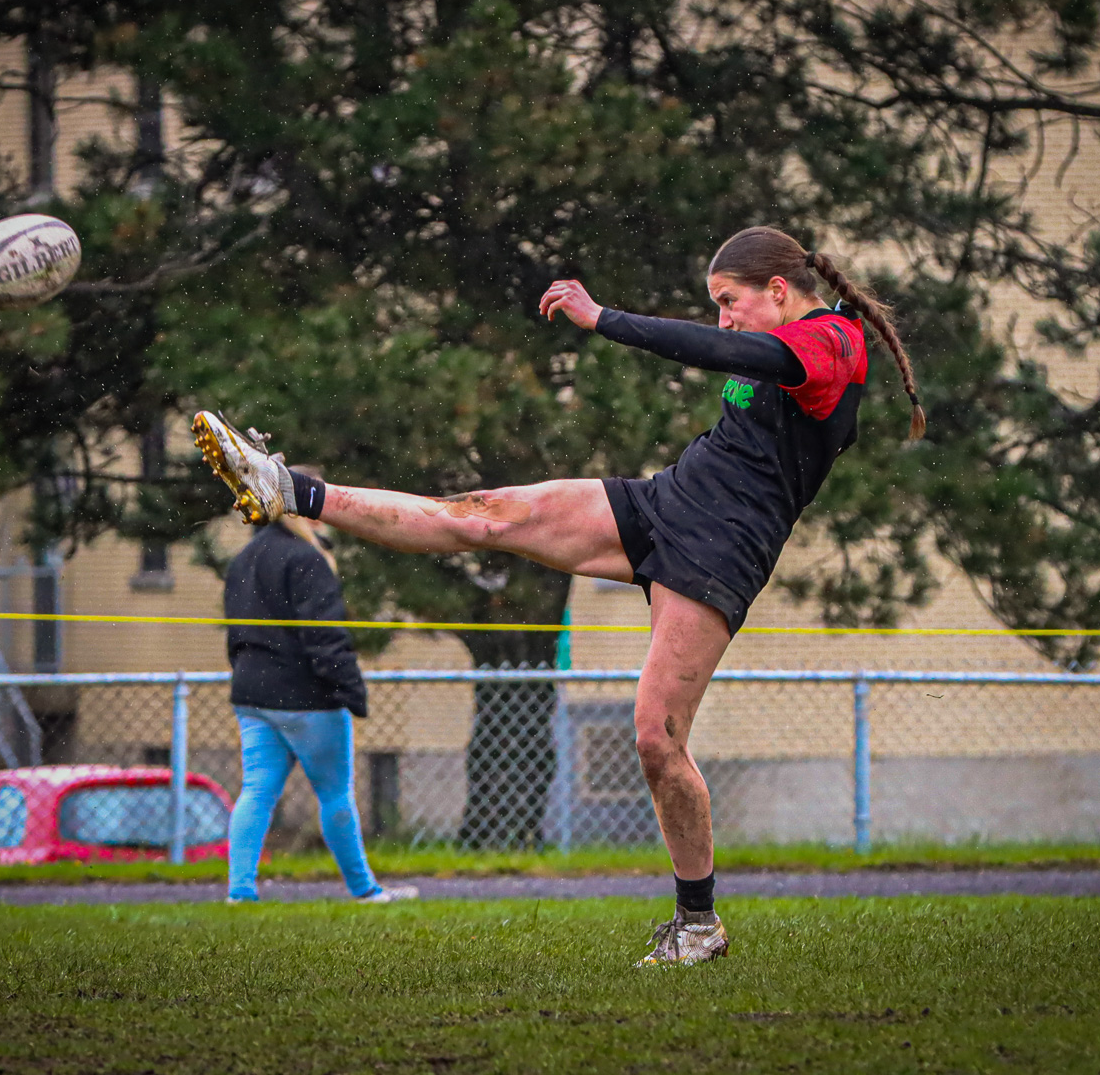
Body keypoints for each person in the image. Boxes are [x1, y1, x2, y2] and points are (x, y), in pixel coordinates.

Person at [193, 226, 923, 961]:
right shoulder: (781, 337)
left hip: (721, 549)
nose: (723, 320)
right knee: (484, 514)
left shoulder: (835, 340)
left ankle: (698, 924)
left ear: (777, 290)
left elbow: (739, 353)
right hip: (666, 503)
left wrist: (605, 320)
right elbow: (738, 357)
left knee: (655, 740)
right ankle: (289, 488)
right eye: (716, 307)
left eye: (729, 303)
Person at [222, 506, 419, 905]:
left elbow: (237, 629)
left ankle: (240, 892)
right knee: (334, 794)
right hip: (305, 696)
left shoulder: (244, 558)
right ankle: (365, 890)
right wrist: (351, 691)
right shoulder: (307, 559)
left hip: (252, 694)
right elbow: (324, 635)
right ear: (309, 512)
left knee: (257, 791)